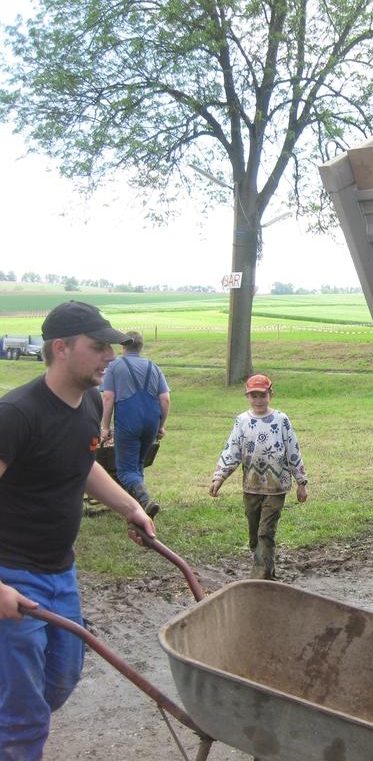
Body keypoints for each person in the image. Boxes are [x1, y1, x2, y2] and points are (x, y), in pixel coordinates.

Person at [0, 301, 156, 759]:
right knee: (26, 716)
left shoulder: (89, 403)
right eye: (98, 346)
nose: (110, 355)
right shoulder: (16, 414)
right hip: (13, 575)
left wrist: (130, 506)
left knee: (62, 677)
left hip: (60, 573)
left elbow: (82, 463)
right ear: (61, 348)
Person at [208, 374, 309, 580]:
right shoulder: (242, 421)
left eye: (262, 395)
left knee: (266, 531)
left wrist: (301, 482)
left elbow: (293, 451)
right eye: (253, 396)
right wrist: (219, 478)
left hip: (276, 486)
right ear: (247, 397)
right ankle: (267, 570)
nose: (258, 400)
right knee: (255, 533)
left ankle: (259, 576)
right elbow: (232, 451)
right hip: (251, 486)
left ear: (270, 394)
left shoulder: (281, 420)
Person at [99, 330, 169, 517]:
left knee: (125, 470)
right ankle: (139, 507)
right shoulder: (153, 366)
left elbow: (107, 397)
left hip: (129, 421)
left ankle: (144, 500)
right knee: (138, 463)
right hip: (151, 421)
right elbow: (165, 399)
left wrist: (105, 427)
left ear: (123, 347)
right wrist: (161, 425)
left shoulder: (115, 366)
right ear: (141, 347)